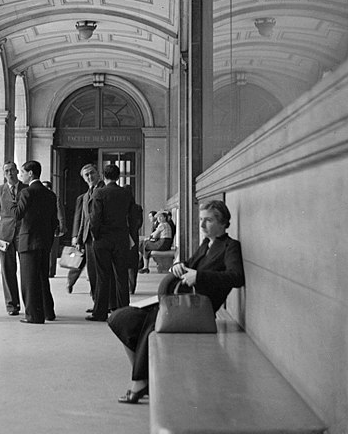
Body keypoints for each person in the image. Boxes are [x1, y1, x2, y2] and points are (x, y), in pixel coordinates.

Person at [108, 199, 245, 403]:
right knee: (120, 318)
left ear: (222, 222)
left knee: (151, 324)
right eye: (200, 220)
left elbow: (236, 277)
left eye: (207, 220)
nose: (201, 225)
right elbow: (190, 265)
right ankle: (145, 376)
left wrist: (199, 276)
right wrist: (179, 266)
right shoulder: (207, 244)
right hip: (179, 302)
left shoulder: (230, 246)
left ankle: (140, 382)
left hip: (197, 310)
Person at [86, 164, 137, 322]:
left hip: (103, 240)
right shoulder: (126, 193)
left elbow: (95, 219)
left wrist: (95, 236)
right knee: (121, 276)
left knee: (103, 276)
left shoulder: (99, 193)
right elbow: (133, 217)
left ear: (103, 175)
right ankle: (123, 311)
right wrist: (129, 235)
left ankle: (100, 313)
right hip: (121, 239)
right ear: (119, 177)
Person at [12, 160, 59, 324]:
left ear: (30, 173)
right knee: (42, 277)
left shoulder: (26, 193)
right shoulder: (50, 194)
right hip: (45, 241)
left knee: (29, 280)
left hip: (28, 241)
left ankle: (33, 316)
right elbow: (54, 221)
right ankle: (48, 312)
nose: (21, 175)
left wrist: (14, 203)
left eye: (23, 172)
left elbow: (17, 215)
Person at [0, 161, 26, 316]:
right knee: (7, 271)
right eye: (6, 171)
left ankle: (29, 304)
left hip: (24, 233)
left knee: (26, 270)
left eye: (12, 170)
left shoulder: (26, 188)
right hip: (5, 235)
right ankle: (12, 305)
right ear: (4, 174)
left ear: (17, 171)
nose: (9, 173)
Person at [66, 164, 105, 298]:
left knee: (102, 273)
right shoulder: (85, 195)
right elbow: (83, 219)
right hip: (88, 239)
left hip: (101, 237)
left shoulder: (104, 190)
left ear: (98, 173)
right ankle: (96, 302)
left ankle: (101, 304)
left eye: (92, 173)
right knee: (92, 272)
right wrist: (78, 238)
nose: (89, 177)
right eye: (86, 175)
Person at [42, 180, 67, 278]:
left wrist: (62, 227)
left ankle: (51, 271)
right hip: (42, 228)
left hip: (53, 228)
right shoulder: (40, 199)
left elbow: (60, 213)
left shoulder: (55, 198)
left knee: (52, 251)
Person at [123, 185, 143, 295]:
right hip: (134, 237)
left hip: (123, 237)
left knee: (122, 262)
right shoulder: (137, 208)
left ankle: (126, 286)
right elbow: (139, 224)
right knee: (133, 263)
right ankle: (132, 287)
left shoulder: (121, 207)